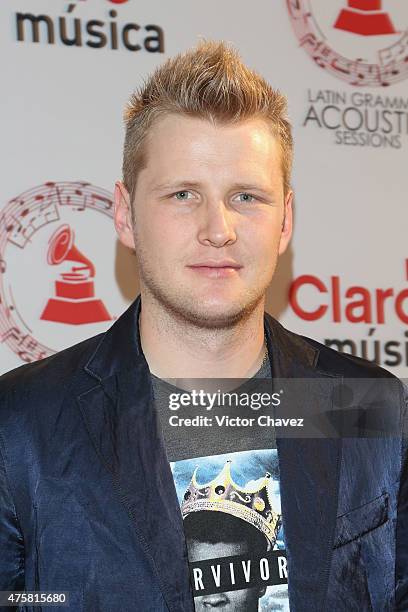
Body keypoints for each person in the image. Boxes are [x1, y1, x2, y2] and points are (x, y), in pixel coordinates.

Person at [0, 40, 407, 612]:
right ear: (125, 214)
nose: (218, 229)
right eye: (183, 194)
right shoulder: (21, 426)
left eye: (246, 196)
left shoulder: (365, 403)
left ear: (285, 220)